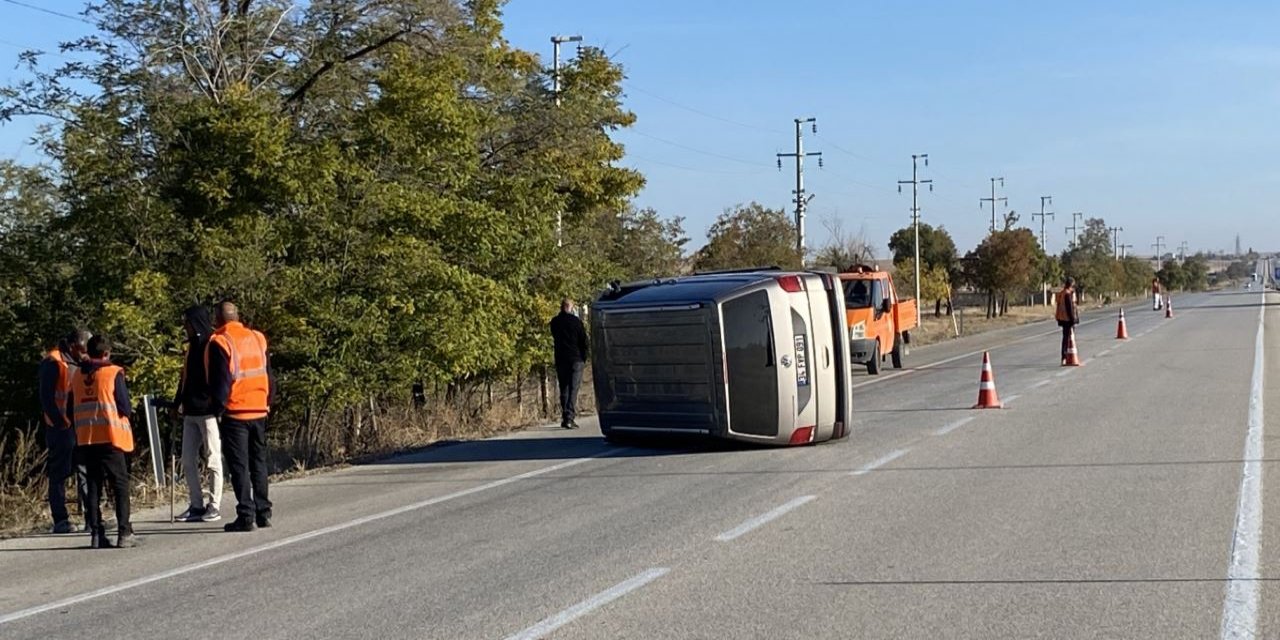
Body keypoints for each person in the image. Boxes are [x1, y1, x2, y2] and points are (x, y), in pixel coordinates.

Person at [206, 301, 274, 532]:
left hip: (236, 412)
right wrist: (268, 401)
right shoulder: (257, 338)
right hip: (259, 408)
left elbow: (221, 382)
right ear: (237, 316)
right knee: (259, 463)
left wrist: (218, 409)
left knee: (239, 466)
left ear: (218, 319)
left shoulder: (220, 342)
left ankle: (246, 515)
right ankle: (264, 512)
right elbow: (269, 374)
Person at [67, 335, 138, 549]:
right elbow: (124, 406)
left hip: (87, 437)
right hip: (111, 436)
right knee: (119, 484)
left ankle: (97, 533)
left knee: (94, 485)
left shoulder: (77, 375)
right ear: (106, 353)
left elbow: (70, 409)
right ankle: (124, 532)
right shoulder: (112, 373)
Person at [173, 305, 223, 523]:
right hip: (190, 411)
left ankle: (214, 505)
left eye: (188, 322)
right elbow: (183, 380)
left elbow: (220, 378)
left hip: (209, 412)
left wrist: (218, 406)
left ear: (196, 323)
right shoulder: (191, 347)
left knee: (213, 458)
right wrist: (177, 404)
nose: (186, 327)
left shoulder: (212, 344)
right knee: (187, 460)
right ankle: (196, 504)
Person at [38, 330, 90, 534]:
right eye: (82, 349)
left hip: (80, 426)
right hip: (60, 428)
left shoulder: (78, 362)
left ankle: (91, 517)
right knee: (59, 473)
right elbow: (47, 398)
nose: (85, 354)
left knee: (85, 470)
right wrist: (61, 423)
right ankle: (60, 520)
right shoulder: (53, 362)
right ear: (72, 346)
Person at [549, 298, 589, 430]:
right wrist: (584, 357)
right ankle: (570, 417)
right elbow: (583, 340)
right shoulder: (576, 322)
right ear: (570, 307)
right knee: (574, 388)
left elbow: (555, 336)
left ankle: (565, 417)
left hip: (561, 358)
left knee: (564, 388)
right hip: (575, 358)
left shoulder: (555, 322)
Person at [1056, 277, 1080, 364]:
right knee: (1068, 338)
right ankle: (1067, 356)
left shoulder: (1062, 293)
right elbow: (1070, 308)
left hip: (1062, 319)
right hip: (1068, 320)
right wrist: (1073, 320)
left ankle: (1064, 357)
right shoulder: (1067, 294)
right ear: (1071, 285)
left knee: (1065, 338)